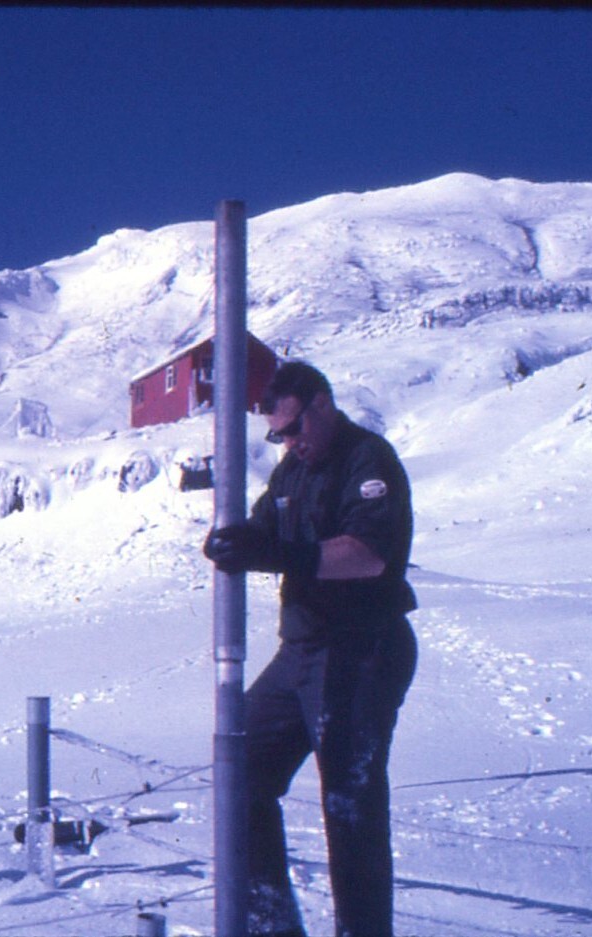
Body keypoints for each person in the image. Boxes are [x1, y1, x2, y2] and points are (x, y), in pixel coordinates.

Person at [203, 361, 418, 937]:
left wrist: (282, 557)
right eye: (278, 435)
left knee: (349, 808)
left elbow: (367, 553)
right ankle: (272, 927)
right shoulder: (291, 473)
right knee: (238, 776)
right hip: (302, 650)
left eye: (295, 428)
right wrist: (237, 540)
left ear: (322, 404)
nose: (289, 443)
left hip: (361, 650)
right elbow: (264, 529)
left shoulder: (367, 460)